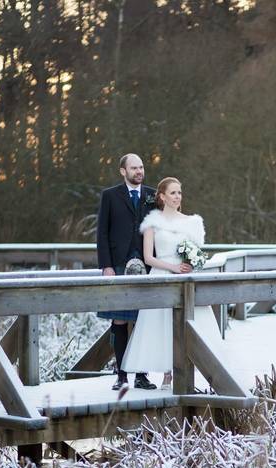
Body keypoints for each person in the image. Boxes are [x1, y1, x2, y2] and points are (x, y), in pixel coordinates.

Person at [121, 177, 221, 390]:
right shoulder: (152, 223)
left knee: (187, 322)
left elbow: (197, 254)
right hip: (161, 275)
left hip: (185, 277)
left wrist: (190, 264)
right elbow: (148, 257)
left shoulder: (191, 222)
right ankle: (167, 374)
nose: (177, 197)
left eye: (179, 192)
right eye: (173, 193)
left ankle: (188, 371)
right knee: (162, 324)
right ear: (162, 196)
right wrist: (172, 267)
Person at [95, 153, 158, 390]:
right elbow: (102, 233)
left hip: (147, 265)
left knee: (144, 320)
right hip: (118, 264)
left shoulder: (153, 195)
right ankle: (121, 376)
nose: (139, 171)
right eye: (134, 168)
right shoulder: (110, 196)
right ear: (123, 171)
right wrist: (106, 265)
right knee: (119, 320)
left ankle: (142, 375)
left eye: (141, 167)